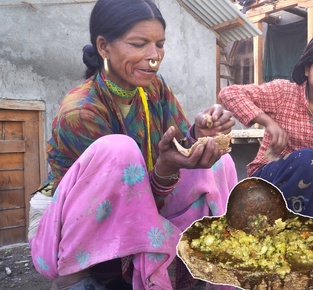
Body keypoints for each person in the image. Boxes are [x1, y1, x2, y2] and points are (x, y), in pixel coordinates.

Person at [28, 0, 238, 289]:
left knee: (219, 162)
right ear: (104, 47)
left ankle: (215, 266)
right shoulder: (81, 112)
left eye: (160, 45)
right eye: (139, 44)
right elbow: (122, 201)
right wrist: (165, 167)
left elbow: (176, 148)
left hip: (149, 199)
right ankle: (75, 278)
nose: (154, 57)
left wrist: (198, 132)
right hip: (77, 227)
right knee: (120, 150)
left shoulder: (153, 87)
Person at [218, 33, 313, 226]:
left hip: (312, 177)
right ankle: (310, 224)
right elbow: (229, 93)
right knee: (308, 157)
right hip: (270, 178)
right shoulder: (284, 92)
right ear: (308, 68)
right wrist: (269, 122)